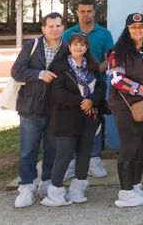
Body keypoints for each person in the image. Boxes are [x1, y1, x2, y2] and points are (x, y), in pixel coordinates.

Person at [40, 31, 105, 207]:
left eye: (82, 44)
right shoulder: (59, 66)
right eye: (75, 44)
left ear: (86, 48)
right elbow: (58, 92)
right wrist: (81, 101)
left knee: (84, 154)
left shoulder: (92, 65)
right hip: (66, 117)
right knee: (65, 153)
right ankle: (55, 192)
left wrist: (92, 100)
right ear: (69, 46)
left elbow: (101, 85)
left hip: (89, 117)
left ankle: (78, 190)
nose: (79, 47)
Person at [108, 12, 143, 207]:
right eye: (133, 27)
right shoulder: (118, 52)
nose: (138, 30)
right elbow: (117, 79)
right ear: (127, 29)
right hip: (126, 105)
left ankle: (136, 186)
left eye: (141, 27)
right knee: (130, 146)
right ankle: (125, 192)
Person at [12, 12, 66, 208]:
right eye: (51, 26)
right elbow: (17, 71)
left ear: (63, 28)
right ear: (43, 29)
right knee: (28, 149)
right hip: (31, 107)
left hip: (55, 109)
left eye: (58, 25)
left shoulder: (67, 48)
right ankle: (26, 186)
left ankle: (48, 183)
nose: (55, 29)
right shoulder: (31, 46)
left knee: (53, 148)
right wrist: (39, 74)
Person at [60, 0, 113, 178]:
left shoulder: (104, 33)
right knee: (72, 122)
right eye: (82, 11)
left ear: (94, 13)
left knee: (95, 122)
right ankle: (73, 161)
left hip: (95, 85)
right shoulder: (67, 34)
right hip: (72, 89)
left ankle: (94, 160)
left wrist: (96, 72)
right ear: (77, 12)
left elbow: (109, 58)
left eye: (89, 11)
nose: (86, 14)